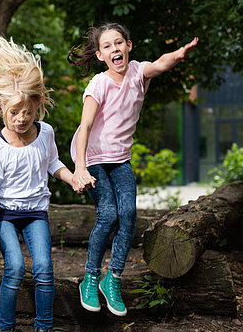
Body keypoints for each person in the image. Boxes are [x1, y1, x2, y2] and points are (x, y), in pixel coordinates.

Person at [68, 23, 199, 316]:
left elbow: (160, 64)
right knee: (109, 214)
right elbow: (86, 126)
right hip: (91, 156)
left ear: (129, 46)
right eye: (107, 46)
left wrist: (178, 54)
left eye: (119, 43)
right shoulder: (98, 84)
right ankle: (89, 278)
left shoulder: (139, 72)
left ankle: (111, 279)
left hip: (119, 158)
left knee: (128, 215)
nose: (115, 49)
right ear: (100, 55)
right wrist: (79, 168)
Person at [0, 35, 77, 332]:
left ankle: (44, 330)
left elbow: (53, 163)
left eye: (27, 113)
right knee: (15, 268)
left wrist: (71, 178)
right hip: (4, 214)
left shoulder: (45, 133)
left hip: (35, 213)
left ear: (37, 107)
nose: (20, 119)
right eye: (13, 113)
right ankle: (6, 331)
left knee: (44, 267)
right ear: (2, 107)